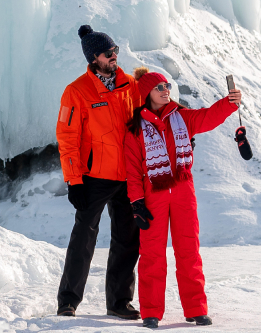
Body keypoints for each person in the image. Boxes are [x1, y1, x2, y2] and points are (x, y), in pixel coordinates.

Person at [119, 67, 241, 328]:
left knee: (189, 251)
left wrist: (228, 104)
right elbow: (132, 170)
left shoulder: (182, 118)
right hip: (153, 196)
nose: (166, 91)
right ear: (147, 94)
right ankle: (151, 311)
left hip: (184, 192)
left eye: (167, 87)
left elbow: (208, 117)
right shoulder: (136, 130)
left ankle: (196, 308)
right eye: (159, 88)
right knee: (152, 254)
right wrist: (136, 203)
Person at [51, 25, 142, 319]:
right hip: (94, 178)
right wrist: (74, 181)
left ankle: (119, 302)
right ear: (94, 57)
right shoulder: (76, 91)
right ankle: (68, 301)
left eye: (115, 50)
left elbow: (146, 123)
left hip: (127, 175)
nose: (115, 55)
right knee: (83, 239)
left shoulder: (130, 85)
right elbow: (67, 138)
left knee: (128, 240)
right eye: (109, 52)